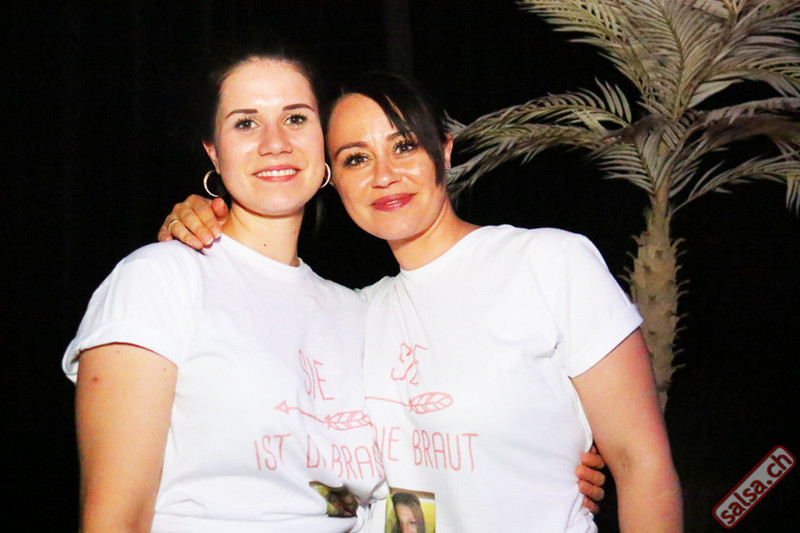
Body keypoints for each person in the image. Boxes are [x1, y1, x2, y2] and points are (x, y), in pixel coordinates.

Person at [160, 72, 664, 531]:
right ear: (330, 179)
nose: (384, 175)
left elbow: (641, 462)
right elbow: (361, 488)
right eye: (356, 158)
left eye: (404, 146)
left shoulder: (548, 264)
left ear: (444, 151)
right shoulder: (356, 314)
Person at [63, 51, 387, 533]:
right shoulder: (160, 279)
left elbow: (372, 498)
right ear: (214, 151)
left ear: (324, 140)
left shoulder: (355, 309)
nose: (275, 143)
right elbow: (114, 520)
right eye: (245, 123)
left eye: (296, 118)